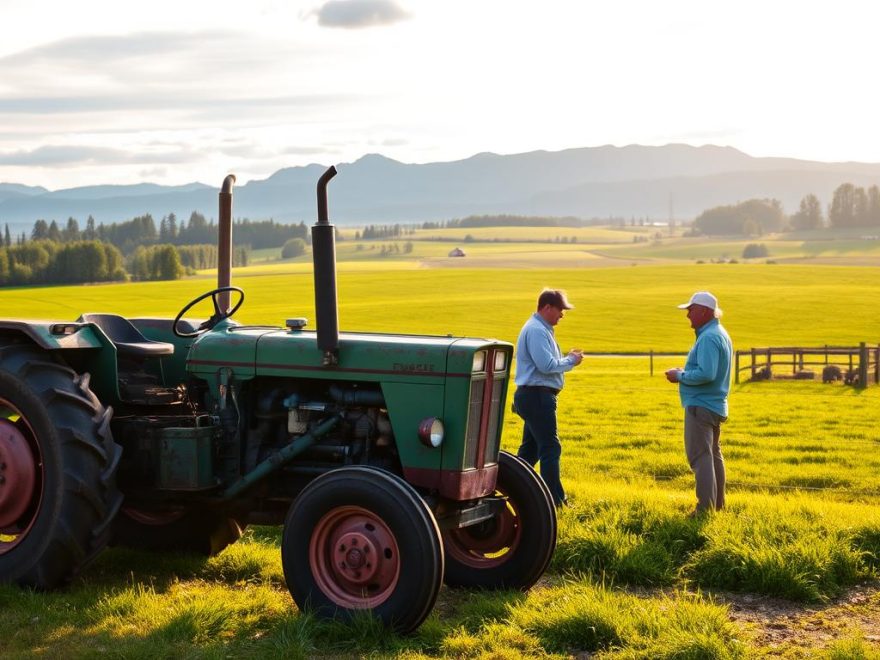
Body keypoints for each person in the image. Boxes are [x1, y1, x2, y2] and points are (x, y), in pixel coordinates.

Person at [513, 288, 583, 507]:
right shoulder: (536, 330)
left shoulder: (540, 329)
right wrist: (570, 360)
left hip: (534, 396)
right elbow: (547, 366)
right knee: (550, 448)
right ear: (547, 307)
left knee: (530, 450)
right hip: (537, 396)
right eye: (560, 310)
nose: (562, 314)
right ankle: (554, 501)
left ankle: (511, 490)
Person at [665, 291, 732, 515]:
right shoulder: (719, 333)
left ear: (704, 311)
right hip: (715, 404)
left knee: (700, 457)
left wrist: (680, 376)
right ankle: (717, 505)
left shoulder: (709, 337)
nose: (688, 316)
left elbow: (706, 373)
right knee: (713, 455)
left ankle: (705, 509)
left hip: (701, 405)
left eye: (690, 310)